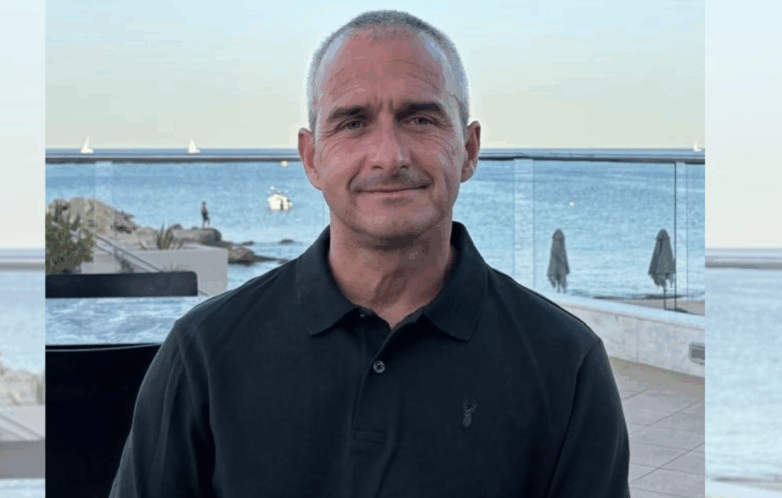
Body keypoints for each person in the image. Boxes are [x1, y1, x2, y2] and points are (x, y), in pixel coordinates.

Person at [110, 10, 630, 498]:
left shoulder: (565, 364)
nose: (389, 156)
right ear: (311, 158)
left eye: (421, 119)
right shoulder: (204, 353)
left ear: (469, 150)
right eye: (353, 122)